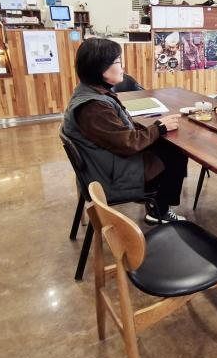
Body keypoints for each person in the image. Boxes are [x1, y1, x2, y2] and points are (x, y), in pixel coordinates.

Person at [62, 38, 187, 224]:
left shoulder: (87, 91)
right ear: (101, 69)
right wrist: (159, 127)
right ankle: (159, 211)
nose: (123, 67)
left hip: (104, 164)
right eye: (118, 62)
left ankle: (157, 206)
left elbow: (118, 135)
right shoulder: (93, 107)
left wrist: (155, 129)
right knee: (176, 154)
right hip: (111, 177)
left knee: (165, 147)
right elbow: (128, 144)